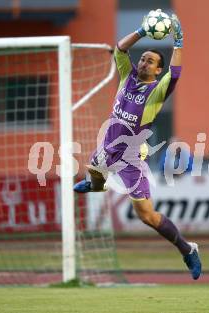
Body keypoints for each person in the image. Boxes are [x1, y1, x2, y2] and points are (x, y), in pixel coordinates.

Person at [73, 11, 202, 280]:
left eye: (151, 61)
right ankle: (96, 184)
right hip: (107, 147)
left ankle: (187, 249)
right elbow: (120, 49)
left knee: (147, 216)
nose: (144, 62)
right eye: (143, 58)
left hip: (130, 157)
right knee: (95, 177)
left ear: (157, 70)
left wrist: (178, 41)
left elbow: (175, 73)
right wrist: (142, 31)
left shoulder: (156, 92)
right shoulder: (126, 76)